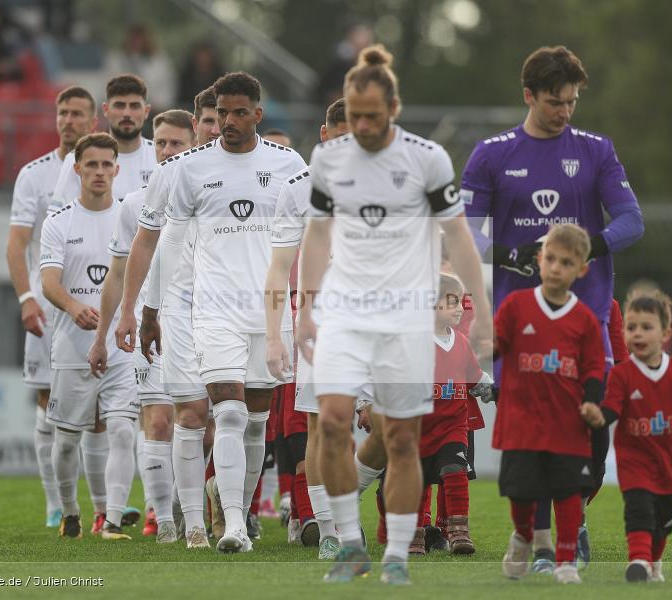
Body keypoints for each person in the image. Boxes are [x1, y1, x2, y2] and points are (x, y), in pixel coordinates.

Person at [296, 45, 492, 585]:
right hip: (344, 312)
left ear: (395, 109)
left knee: (401, 438)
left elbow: (459, 237)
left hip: (405, 317)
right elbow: (316, 236)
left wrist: (485, 318)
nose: (360, 126)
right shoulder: (330, 159)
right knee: (333, 423)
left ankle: (399, 555)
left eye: (371, 116)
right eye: (353, 115)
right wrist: (307, 309)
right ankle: (349, 545)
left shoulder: (427, 159)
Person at [460, 45, 644, 571]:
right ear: (528, 96)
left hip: (587, 320)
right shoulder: (492, 154)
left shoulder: (595, 150)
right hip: (518, 323)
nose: (565, 112)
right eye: (554, 102)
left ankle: (571, 517)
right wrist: (506, 254)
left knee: (593, 434)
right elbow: (465, 235)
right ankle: (546, 540)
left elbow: (632, 221)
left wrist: (587, 246)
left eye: (572, 102)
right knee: (534, 439)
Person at [116, 71, 306, 553]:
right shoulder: (188, 168)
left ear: (258, 114)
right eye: (222, 113)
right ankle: (232, 525)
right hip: (210, 310)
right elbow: (161, 242)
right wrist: (146, 309)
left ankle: (235, 508)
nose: (229, 121)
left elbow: (316, 233)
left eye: (240, 112)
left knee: (256, 422)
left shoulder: (288, 165)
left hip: (268, 312)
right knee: (226, 412)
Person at [87, 109, 196, 544]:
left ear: (194, 145)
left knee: (200, 423)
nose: (168, 151)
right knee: (158, 420)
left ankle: (198, 510)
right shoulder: (136, 203)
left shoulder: (211, 195)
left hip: (205, 321)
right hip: (154, 324)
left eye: (177, 144)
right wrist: (119, 319)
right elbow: (117, 271)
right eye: (162, 143)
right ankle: (161, 519)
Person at [132, 85, 222, 550]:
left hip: (227, 309)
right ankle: (177, 520)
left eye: (175, 142)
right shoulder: (152, 189)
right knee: (173, 415)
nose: (213, 127)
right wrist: (138, 312)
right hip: (168, 312)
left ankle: (231, 513)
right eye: (160, 142)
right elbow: (136, 255)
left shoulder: (245, 174)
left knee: (228, 418)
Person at [582, 290, 672, 582]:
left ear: (665, 333)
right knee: (639, 511)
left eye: (646, 327)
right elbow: (612, 407)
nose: (637, 333)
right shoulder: (622, 375)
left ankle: (654, 560)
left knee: (663, 520)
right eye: (631, 327)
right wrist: (600, 417)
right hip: (635, 463)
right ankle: (638, 562)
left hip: (670, 465)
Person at [40, 133, 140, 540]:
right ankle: (69, 513)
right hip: (72, 346)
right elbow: (49, 281)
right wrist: (72, 306)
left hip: (120, 345)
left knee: (121, 429)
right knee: (65, 441)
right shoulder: (59, 222)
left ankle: (112, 520)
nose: (99, 172)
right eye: (91, 165)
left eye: (106, 165)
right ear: (77, 168)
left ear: (117, 169)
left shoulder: (131, 217)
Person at [493, 223, 605, 584]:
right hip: (521, 421)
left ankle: (566, 560)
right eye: (551, 259)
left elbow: (592, 369)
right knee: (522, 494)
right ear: (539, 260)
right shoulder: (515, 306)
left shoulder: (586, 320)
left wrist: (590, 403)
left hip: (568, 424)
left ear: (581, 269)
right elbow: (495, 347)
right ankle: (524, 535)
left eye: (567, 262)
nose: (556, 267)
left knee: (570, 492)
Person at [7, 85, 97, 529]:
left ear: (92, 121)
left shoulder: (106, 168)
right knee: (47, 400)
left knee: (102, 411)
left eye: (78, 113)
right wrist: (27, 298)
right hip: (50, 307)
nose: (68, 120)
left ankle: (105, 507)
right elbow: (17, 245)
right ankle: (55, 504)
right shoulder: (34, 174)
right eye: (63, 112)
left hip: (100, 305)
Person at [265, 98, 348, 559]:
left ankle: (367, 511)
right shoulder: (297, 190)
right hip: (317, 322)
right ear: (324, 135)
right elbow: (278, 269)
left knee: (388, 428)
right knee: (321, 428)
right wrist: (278, 332)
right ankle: (330, 529)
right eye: (342, 137)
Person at [411, 274, 487, 556]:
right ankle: (414, 534)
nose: (459, 308)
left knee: (456, 473)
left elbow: (475, 378)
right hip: (419, 428)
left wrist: (493, 390)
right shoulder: (415, 342)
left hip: (453, 426)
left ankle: (458, 532)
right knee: (416, 481)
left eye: (461, 302)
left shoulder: (462, 342)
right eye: (452, 301)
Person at [50, 74, 157, 213]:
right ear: (106, 110)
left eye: (134, 106)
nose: (126, 113)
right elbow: (58, 221)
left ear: (146, 111)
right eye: (119, 105)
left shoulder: (160, 158)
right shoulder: (76, 158)